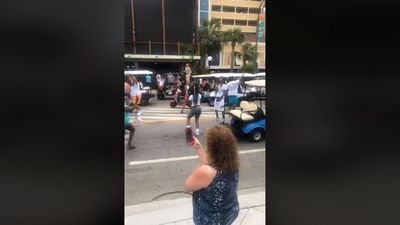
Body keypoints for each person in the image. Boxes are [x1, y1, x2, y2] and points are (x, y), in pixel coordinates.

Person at [184, 125, 240, 225]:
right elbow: (210, 167)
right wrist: (199, 148)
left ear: (212, 148)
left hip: (210, 220)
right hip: (230, 212)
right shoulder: (232, 163)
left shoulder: (205, 172)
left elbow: (187, 186)